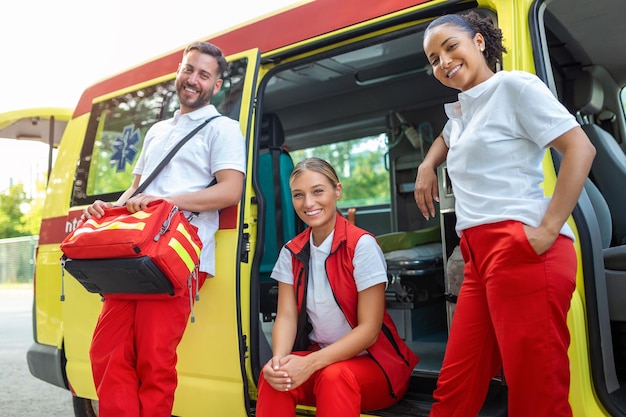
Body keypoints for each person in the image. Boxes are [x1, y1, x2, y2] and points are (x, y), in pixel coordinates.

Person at [413, 12, 596, 417]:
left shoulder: (513, 87)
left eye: (450, 47)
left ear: (479, 42)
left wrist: (549, 228)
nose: (442, 62)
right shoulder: (463, 111)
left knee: (536, 395)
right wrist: (427, 165)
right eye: (432, 58)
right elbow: (448, 136)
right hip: (477, 257)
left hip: (522, 247)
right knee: (455, 387)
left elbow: (580, 149)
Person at [81, 41, 246, 417]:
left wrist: (169, 202)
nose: (193, 79)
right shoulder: (156, 131)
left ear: (216, 85)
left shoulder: (222, 129)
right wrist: (111, 208)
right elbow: (138, 190)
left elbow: (230, 190)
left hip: (178, 255)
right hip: (135, 253)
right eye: (188, 69)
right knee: (105, 351)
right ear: (178, 72)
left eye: (204, 74)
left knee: (153, 362)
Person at [256, 157, 418, 417]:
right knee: (274, 377)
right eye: (299, 195)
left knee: (335, 376)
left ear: (337, 191)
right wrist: (278, 360)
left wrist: (309, 363)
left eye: (318, 191)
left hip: (375, 367)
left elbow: (369, 331)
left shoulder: (361, 246)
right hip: (320, 362)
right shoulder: (291, 251)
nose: (308, 203)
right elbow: (285, 316)